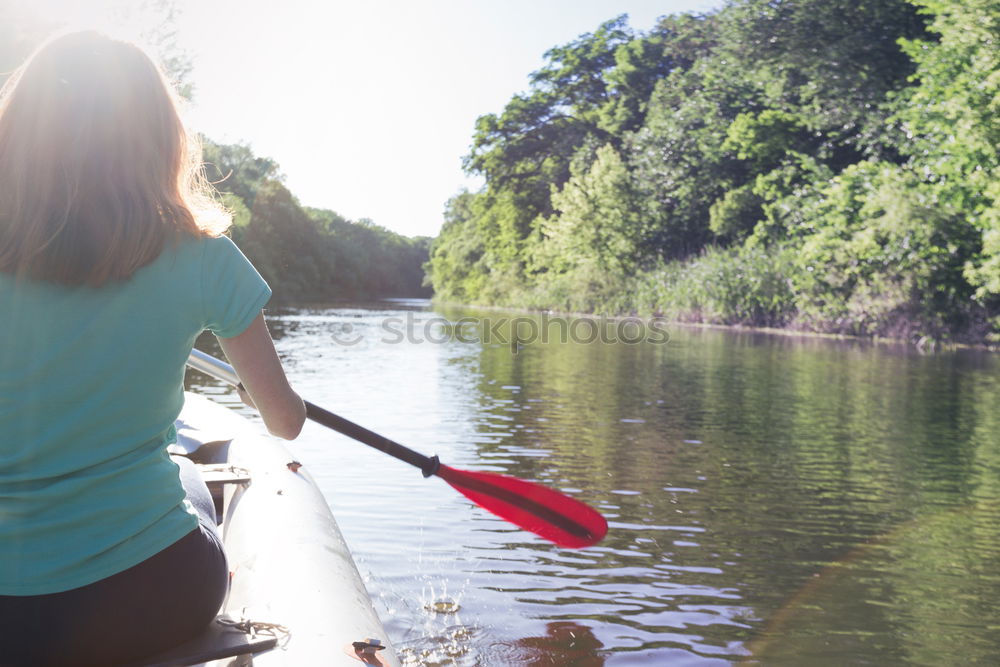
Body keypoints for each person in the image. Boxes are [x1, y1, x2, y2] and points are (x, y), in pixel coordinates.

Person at [0, 31, 306, 665]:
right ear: (158, 134)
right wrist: (271, 391)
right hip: (147, 598)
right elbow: (285, 423)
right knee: (190, 473)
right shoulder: (204, 255)